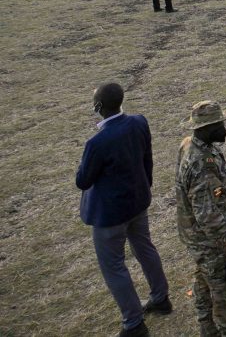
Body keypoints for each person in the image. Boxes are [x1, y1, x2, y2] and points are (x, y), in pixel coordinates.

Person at [76, 83, 171, 337]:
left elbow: (82, 181)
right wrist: (145, 186)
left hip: (109, 216)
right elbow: (147, 158)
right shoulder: (139, 122)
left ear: (98, 107)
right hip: (137, 203)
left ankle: (133, 322)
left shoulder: (97, 142)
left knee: (114, 266)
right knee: (145, 248)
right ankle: (161, 298)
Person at [176, 101, 226, 337]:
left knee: (205, 290)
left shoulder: (192, 146)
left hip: (199, 242)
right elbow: (207, 216)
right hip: (213, 246)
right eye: (219, 125)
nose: (224, 130)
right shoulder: (202, 164)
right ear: (206, 128)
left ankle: (208, 332)